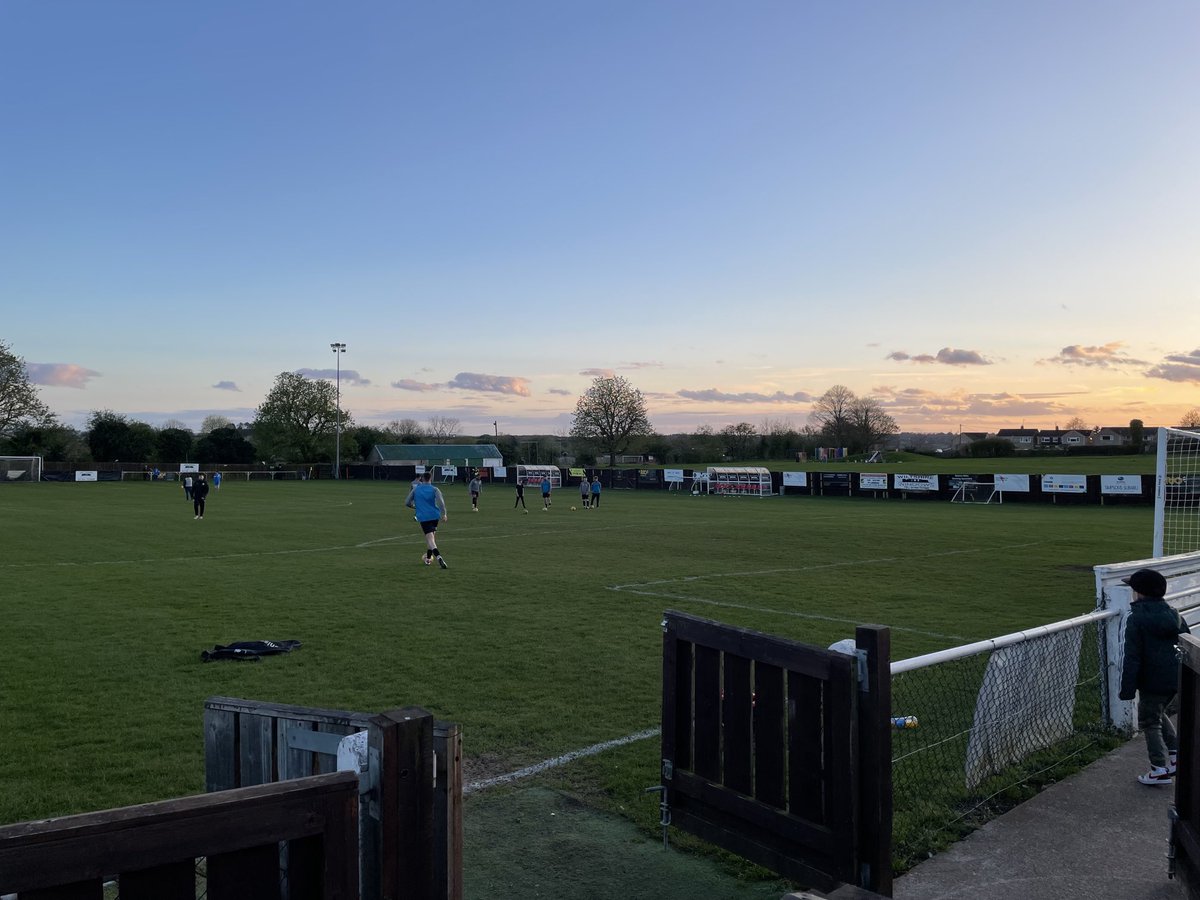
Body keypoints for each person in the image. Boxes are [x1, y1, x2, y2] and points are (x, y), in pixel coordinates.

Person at [1119, 568, 1188, 785]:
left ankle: (1158, 768)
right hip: (1174, 677)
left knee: (1149, 721)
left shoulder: (1137, 619)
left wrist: (1127, 689)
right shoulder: (1175, 615)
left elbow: (1132, 657)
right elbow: (1186, 642)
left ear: (1139, 593)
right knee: (1158, 713)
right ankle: (1177, 758)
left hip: (1151, 680)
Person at [405, 470, 449, 568]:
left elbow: (407, 502)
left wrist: (415, 507)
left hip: (424, 517)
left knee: (430, 539)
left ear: (422, 479)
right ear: (430, 479)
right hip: (435, 516)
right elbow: (441, 503)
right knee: (431, 538)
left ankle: (439, 557)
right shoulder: (435, 489)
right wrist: (444, 514)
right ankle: (428, 558)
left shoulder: (416, 489)